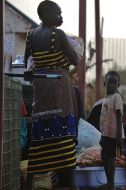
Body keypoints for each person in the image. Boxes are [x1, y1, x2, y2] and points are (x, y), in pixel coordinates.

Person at [23, 1, 79, 189]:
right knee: (65, 132)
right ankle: (69, 184)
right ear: (47, 14)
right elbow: (75, 60)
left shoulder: (31, 36)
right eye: (58, 14)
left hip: (41, 87)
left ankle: (30, 183)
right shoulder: (58, 34)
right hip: (59, 86)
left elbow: (26, 62)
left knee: (40, 133)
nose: (60, 18)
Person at [99, 70, 124, 190]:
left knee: (111, 158)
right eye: (109, 83)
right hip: (106, 134)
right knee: (104, 156)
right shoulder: (106, 98)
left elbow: (119, 117)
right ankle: (109, 182)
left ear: (118, 85)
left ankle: (111, 184)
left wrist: (119, 135)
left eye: (114, 83)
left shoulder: (116, 97)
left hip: (114, 135)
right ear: (105, 83)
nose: (111, 85)